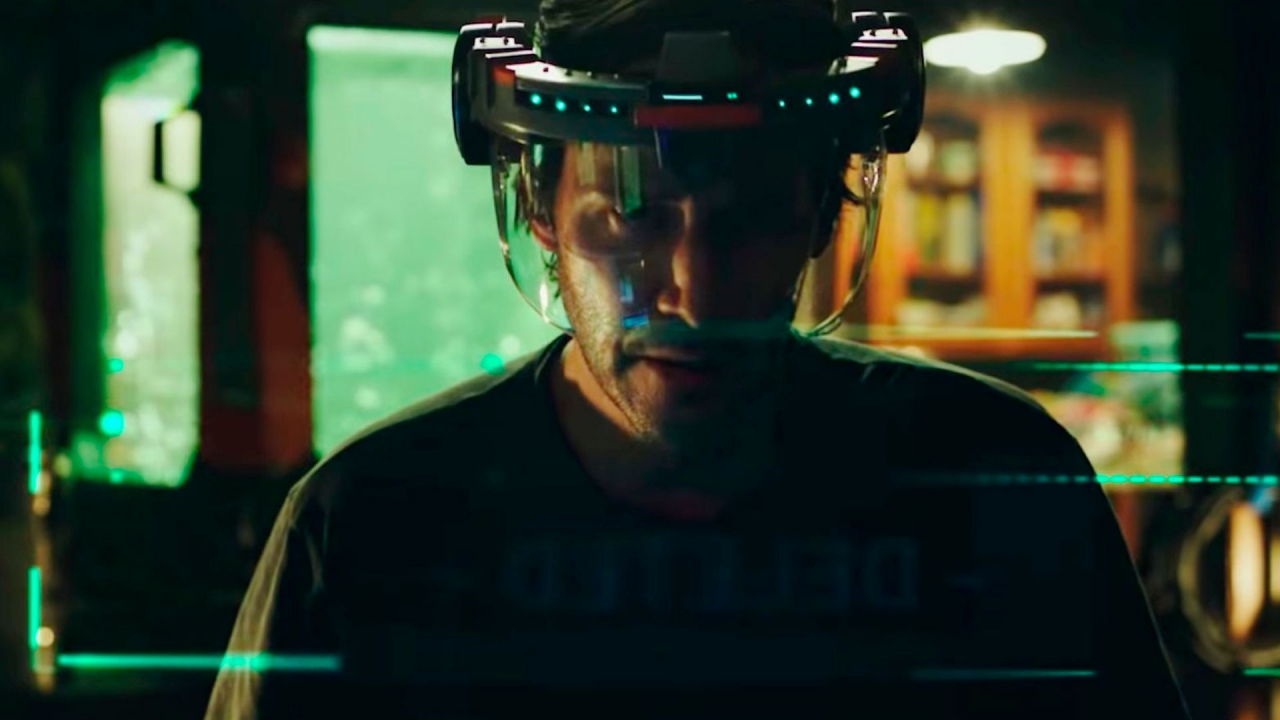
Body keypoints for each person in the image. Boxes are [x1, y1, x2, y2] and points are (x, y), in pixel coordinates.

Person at [205, 1, 1190, 718]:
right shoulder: (371, 525)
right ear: (542, 212)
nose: (692, 289)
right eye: (630, 217)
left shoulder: (997, 486)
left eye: (749, 221)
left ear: (821, 216)